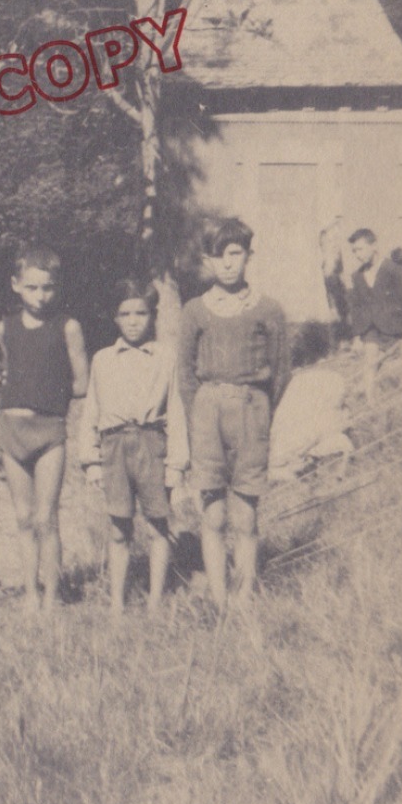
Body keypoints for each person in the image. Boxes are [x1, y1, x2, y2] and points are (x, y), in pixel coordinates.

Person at [177, 218, 290, 607]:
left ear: (248, 256)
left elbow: (281, 371)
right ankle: (219, 597)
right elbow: (185, 374)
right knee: (213, 515)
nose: (227, 264)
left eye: (235, 254)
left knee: (245, 514)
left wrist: (258, 411)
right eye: (218, 256)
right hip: (207, 411)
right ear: (207, 261)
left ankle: (243, 598)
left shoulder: (268, 310)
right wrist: (199, 419)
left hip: (251, 410)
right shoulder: (195, 311)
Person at [78, 279, 186, 613]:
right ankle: (116, 603)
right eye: (125, 314)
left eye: (141, 313)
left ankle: (155, 601)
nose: (133, 320)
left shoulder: (165, 357)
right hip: (113, 447)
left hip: (153, 443)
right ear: (115, 317)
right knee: (118, 527)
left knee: (157, 524)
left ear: (152, 315)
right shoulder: (102, 359)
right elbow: (91, 411)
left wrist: (177, 464)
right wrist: (91, 460)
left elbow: (177, 409)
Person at [0, 245, 89, 611]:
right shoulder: (5, 326)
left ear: (57, 287)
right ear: (16, 285)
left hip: (49, 431)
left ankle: (51, 597)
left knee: (45, 517)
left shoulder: (68, 326)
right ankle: (30, 594)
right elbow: (4, 371)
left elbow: (81, 382)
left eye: (47, 288)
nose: (40, 296)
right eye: (32, 288)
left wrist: (49, 387)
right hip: (12, 430)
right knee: (22, 517)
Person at [267, 323, 351, 482]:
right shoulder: (334, 379)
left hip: (282, 449)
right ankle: (315, 469)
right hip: (316, 440)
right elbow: (341, 416)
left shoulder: (284, 387)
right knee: (342, 440)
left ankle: (287, 471)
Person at [344, 228, 402, 347]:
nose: (357, 255)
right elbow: (357, 307)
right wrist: (357, 336)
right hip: (370, 330)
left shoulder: (392, 269)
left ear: (374, 246)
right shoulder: (357, 276)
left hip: (395, 329)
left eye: (360, 249)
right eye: (354, 251)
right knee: (370, 360)